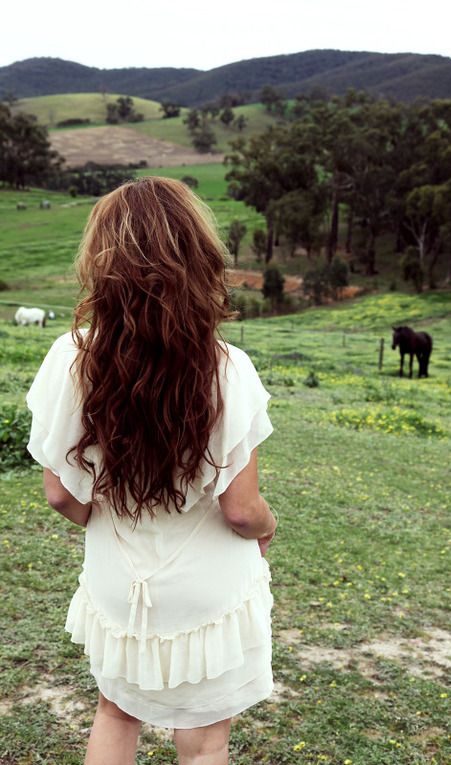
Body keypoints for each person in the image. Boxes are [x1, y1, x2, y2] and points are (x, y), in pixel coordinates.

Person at [26, 177, 277, 765]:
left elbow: (61, 496)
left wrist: (107, 518)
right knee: (207, 740)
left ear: (102, 260)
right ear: (198, 256)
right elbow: (241, 510)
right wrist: (269, 526)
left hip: (118, 577)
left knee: (115, 712)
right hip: (207, 588)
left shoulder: (71, 356)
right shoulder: (229, 369)